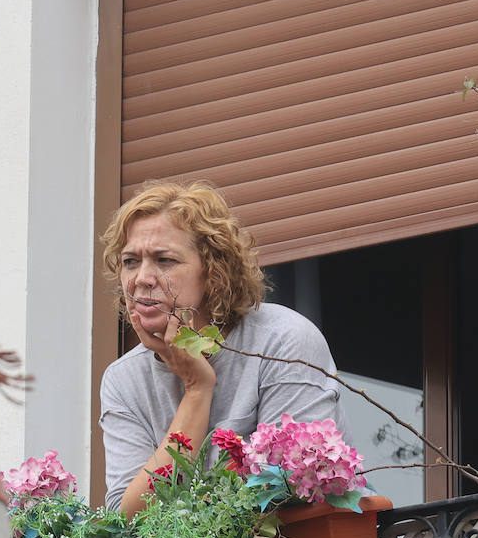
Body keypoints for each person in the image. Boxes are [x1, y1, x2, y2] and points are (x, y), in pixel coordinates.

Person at [98, 181, 345, 516]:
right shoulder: (123, 379)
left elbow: (290, 493)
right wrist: (197, 391)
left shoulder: (284, 341)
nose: (142, 278)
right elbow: (128, 518)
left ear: (213, 271)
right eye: (130, 261)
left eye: (164, 260)